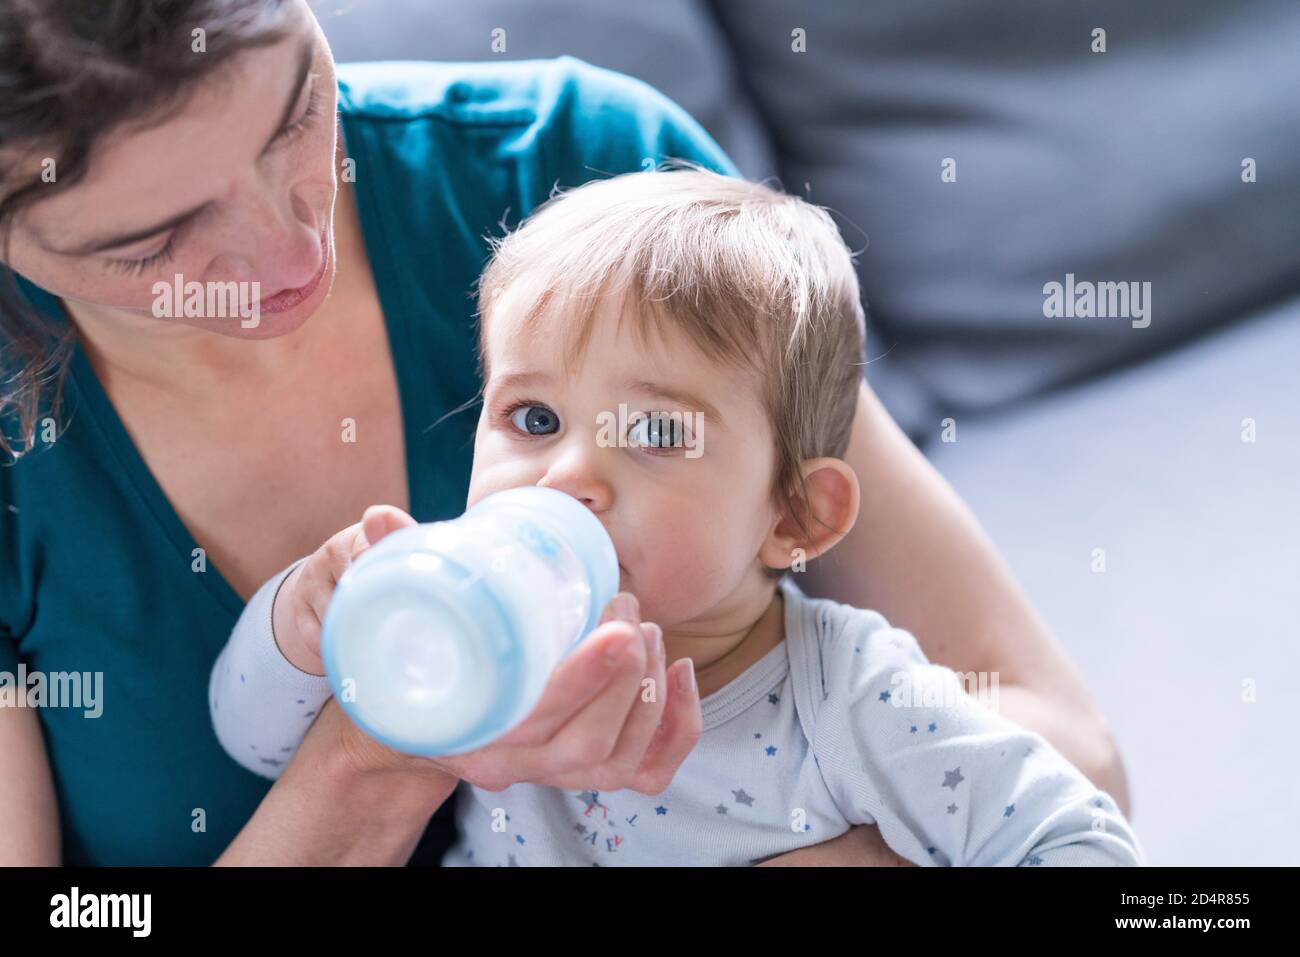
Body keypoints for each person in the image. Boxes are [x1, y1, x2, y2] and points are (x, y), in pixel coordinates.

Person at [0, 0, 1127, 865]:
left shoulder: (597, 210)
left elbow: (1062, 755)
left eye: (297, 110)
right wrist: (380, 750)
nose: (296, 254)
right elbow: (251, 720)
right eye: (149, 244)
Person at [213, 168, 1144, 866]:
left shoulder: (848, 697)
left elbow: (1073, 831)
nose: (568, 476)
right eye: (534, 419)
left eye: (656, 431)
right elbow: (255, 741)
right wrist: (307, 621)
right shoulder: (491, 647)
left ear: (795, 514)